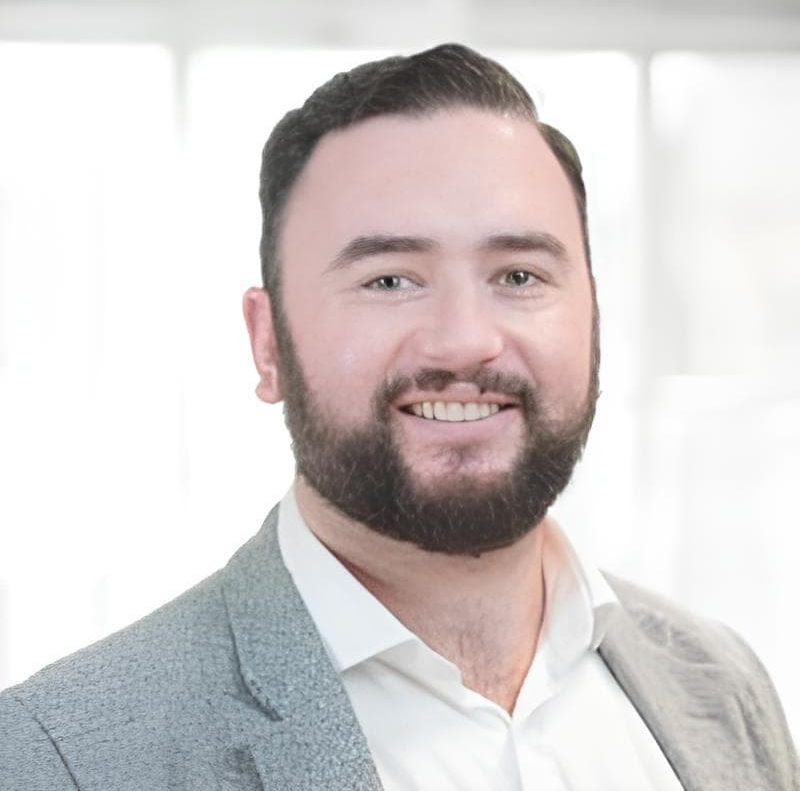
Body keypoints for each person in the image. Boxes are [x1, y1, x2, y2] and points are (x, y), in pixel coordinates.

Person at [0, 43, 796, 791]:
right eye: (389, 280)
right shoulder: (63, 757)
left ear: (592, 313)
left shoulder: (721, 684)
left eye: (519, 275)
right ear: (268, 343)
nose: (466, 340)